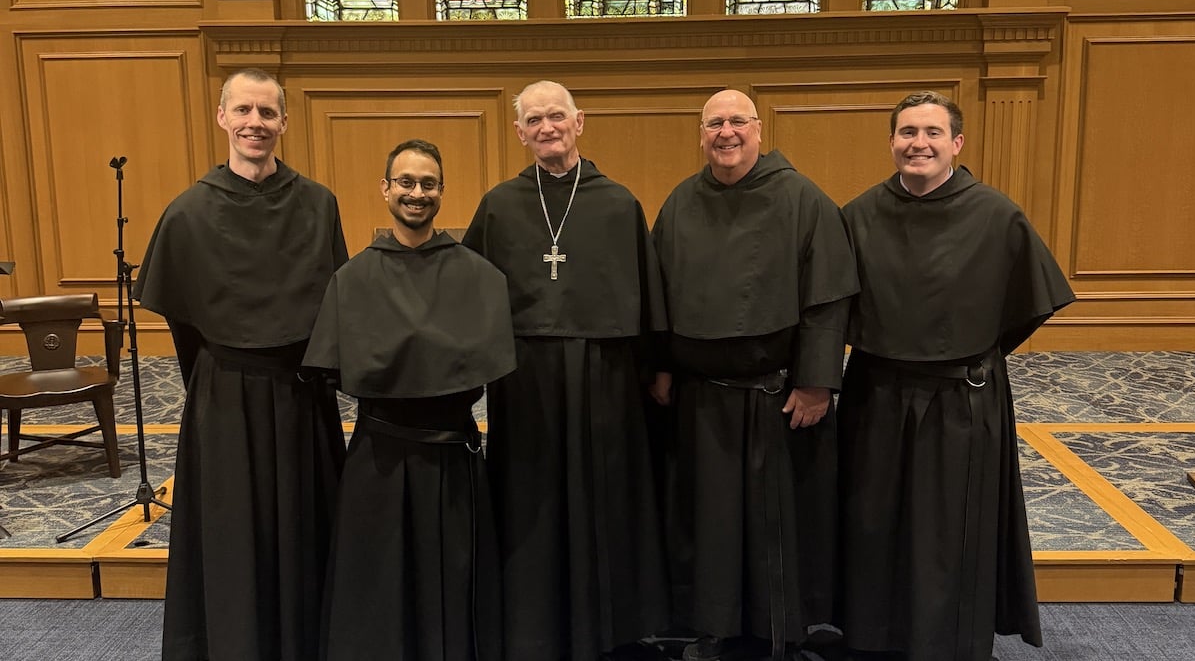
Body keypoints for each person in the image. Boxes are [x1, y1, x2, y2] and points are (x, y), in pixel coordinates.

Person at [837, 91, 1075, 661]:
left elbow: (1028, 304)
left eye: (933, 133)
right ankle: (872, 637)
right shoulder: (858, 215)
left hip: (962, 397)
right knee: (873, 522)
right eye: (907, 132)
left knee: (950, 529)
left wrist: (971, 352)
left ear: (957, 143)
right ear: (891, 141)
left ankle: (952, 642)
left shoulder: (995, 214)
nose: (918, 143)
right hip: (879, 393)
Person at [133, 68, 349, 661]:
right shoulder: (188, 212)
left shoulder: (318, 204)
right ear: (222, 117)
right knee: (232, 533)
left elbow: (335, 306)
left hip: (301, 393)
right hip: (225, 395)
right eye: (244, 111)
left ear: (284, 122)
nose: (256, 123)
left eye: (267, 112)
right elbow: (183, 324)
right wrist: (216, 382)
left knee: (305, 526)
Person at [462, 80, 670, 661]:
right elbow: (469, 291)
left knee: (605, 494)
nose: (547, 127)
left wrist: (658, 368)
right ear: (519, 132)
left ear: (579, 122)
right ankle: (531, 621)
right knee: (530, 498)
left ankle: (608, 622)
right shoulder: (500, 204)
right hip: (525, 378)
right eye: (534, 120)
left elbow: (650, 301)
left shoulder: (618, 202)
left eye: (557, 116)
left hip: (605, 375)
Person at [649, 89, 859, 661]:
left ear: (758, 129)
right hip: (701, 398)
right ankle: (713, 625)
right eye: (714, 123)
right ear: (701, 134)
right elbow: (658, 295)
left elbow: (828, 300)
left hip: (780, 397)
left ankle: (781, 631)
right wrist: (662, 367)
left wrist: (816, 382)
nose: (726, 133)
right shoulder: (681, 202)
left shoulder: (802, 199)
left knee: (778, 524)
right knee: (710, 523)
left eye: (737, 121)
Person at [303, 139, 516, 661]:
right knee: (378, 581)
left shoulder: (479, 276)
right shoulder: (352, 279)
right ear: (385, 189)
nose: (416, 193)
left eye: (428, 184)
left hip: (453, 456)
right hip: (378, 456)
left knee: (453, 576)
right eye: (405, 182)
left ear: (442, 191)